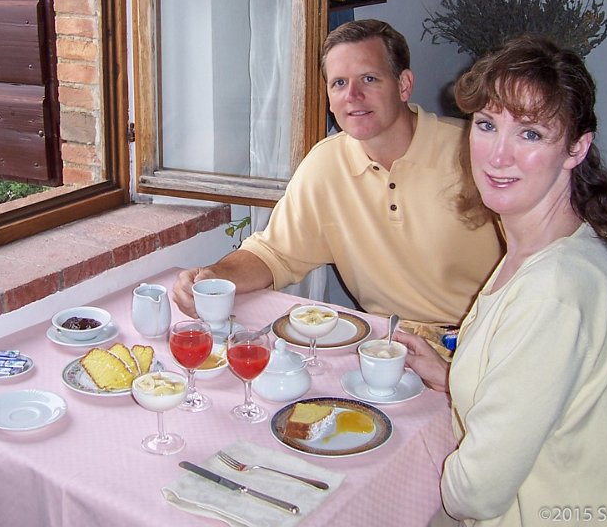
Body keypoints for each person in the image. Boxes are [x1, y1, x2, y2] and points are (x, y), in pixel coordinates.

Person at [395, 35, 607, 526]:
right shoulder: (537, 249)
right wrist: (451, 378)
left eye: (530, 134)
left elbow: (473, 495)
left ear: (576, 148)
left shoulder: (555, 291)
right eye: (487, 125)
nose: (498, 155)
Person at [172, 19, 503, 328]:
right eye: (339, 83)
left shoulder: (476, 152)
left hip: (480, 342)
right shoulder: (326, 164)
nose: (352, 96)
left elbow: (529, 264)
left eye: (369, 79)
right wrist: (214, 276)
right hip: (387, 345)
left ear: (403, 85)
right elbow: (275, 254)